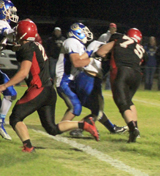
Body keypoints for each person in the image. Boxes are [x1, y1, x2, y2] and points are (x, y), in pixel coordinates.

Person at [0, 20, 99, 152]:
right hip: (49, 91)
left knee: (15, 118)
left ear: (23, 34)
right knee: (52, 128)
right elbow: (19, 48)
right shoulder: (34, 45)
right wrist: (6, 46)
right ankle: (84, 124)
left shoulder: (27, 48)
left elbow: (23, 73)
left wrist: (4, 85)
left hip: (38, 90)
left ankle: (28, 146)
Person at [55, 23, 125, 136]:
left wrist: (90, 55)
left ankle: (111, 128)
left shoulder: (81, 45)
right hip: (65, 80)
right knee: (76, 107)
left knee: (96, 108)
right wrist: (93, 57)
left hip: (73, 80)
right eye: (84, 32)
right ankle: (59, 129)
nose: (86, 34)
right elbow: (77, 62)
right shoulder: (71, 41)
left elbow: (83, 58)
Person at [96, 28, 147, 143]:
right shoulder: (140, 48)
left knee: (122, 103)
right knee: (129, 101)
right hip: (137, 75)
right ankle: (136, 128)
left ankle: (132, 129)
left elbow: (101, 52)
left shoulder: (119, 39)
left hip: (123, 71)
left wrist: (98, 55)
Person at [0, 0, 18, 140]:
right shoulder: (2, 24)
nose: (11, 14)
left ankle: (0, 122)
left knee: (10, 92)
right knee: (10, 92)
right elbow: (9, 34)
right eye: (9, 11)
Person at [98, 23, 117, 90]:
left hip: (112, 58)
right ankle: (98, 86)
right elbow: (98, 44)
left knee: (110, 74)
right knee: (101, 73)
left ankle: (108, 88)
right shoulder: (104, 36)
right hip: (104, 58)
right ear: (109, 28)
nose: (113, 30)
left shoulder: (117, 36)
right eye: (111, 28)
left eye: (114, 28)